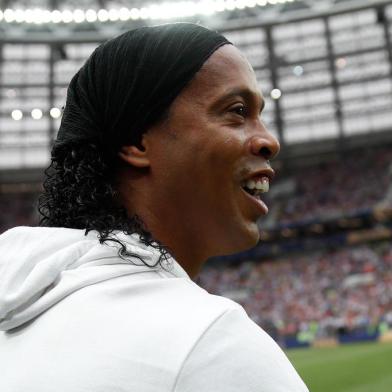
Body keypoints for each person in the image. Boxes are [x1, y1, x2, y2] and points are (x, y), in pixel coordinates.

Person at [0, 23, 308, 391]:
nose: (268, 141)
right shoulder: (209, 343)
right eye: (237, 111)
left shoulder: (19, 316)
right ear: (137, 142)